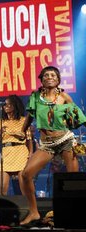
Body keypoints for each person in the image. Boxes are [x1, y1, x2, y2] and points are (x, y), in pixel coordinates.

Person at [20, 66, 86, 225]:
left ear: (58, 80)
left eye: (53, 75)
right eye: (46, 75)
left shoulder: (64, 97)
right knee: (26, 175)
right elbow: (30, 116)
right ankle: (34, 212)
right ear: (41, 80)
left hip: (66, 141)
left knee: (73, 180)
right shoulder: (36, 97)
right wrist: (23, 131)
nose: (49, 77)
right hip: (47, 144)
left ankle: (76, 214)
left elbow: (78, 121)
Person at [0, 95, 33, 196]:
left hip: (21, 151)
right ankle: (1, 211)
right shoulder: (0, 122)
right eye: (4, 105)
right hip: (6, 152)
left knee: (24, 187)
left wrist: (31, 154)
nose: (5, 106)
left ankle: (29, 210)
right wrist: (0, 133)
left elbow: (29, 139)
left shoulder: (23, 120)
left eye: (8, 104)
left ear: (15, 106)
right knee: (2, 189)